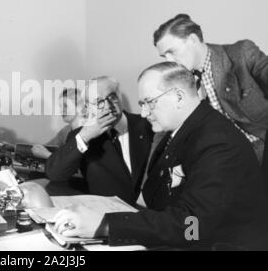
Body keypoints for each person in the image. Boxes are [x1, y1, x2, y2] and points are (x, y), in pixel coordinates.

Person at [53, 63, 268, 250]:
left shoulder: (217, 142)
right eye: (142, 104)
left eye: (149, 102)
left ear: (178, 97)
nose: (145, 113)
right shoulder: (180, 131)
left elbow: (193, 227)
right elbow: (154, 197)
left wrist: (106, 224)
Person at [153, 13, 268, 166]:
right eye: (164, 56)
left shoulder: (241, 53)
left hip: (262, 147)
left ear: (193, 40)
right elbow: (164, 128)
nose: (169, 61)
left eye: (172, 52)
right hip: (224, 160)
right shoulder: (180, 82)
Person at [45, 76, 154, 205]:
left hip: (154, 216)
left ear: (120, 97)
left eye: (112, 97)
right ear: (87, 107)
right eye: (98, 102)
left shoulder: (149, 125)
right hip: (111, 217)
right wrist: (84, 136)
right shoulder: (81, 136)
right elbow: (55, 174)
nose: (108, 106)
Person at [31, 88, 85, 160]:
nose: (62, 110)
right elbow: (45, 147)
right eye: (60, 106)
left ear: (79, 106)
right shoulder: (66, 131)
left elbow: (75, 163)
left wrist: (46, 155)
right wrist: (13, 147)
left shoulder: (88, 131)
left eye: (65, 105)